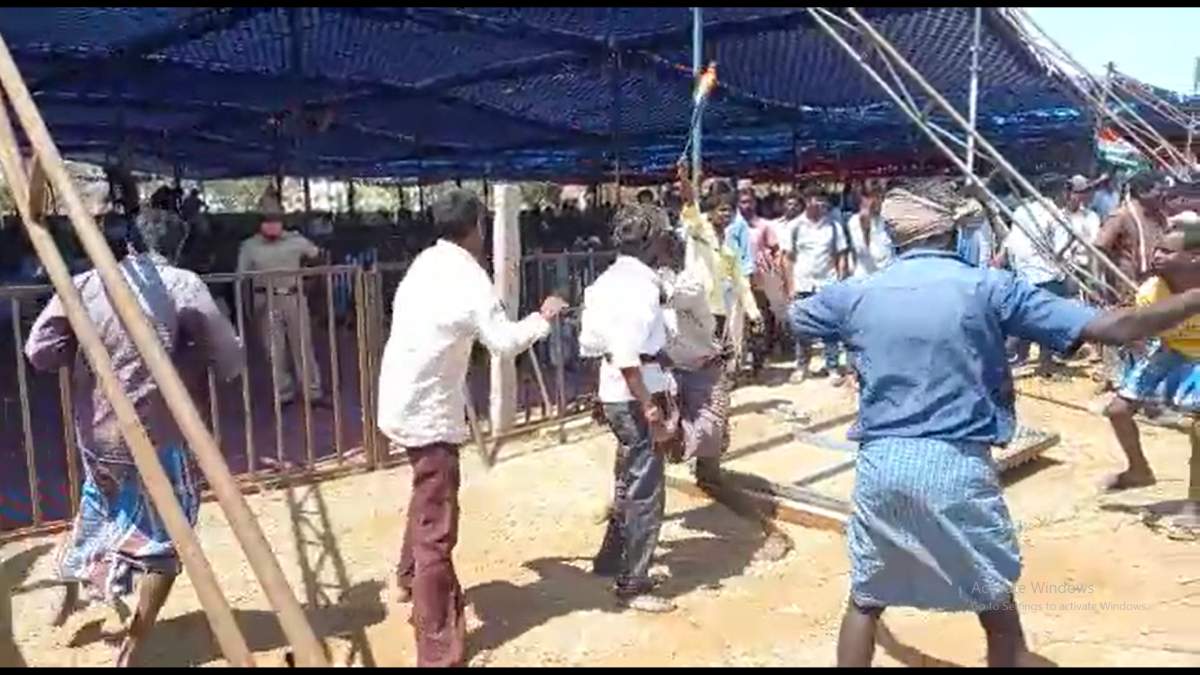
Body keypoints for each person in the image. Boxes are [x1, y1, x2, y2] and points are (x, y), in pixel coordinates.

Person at [788, 183, 1200, 668]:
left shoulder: (857, 293)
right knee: (994, 600)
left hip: (881, 464)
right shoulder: (990, 287)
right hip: (957, 465)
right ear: (955, 233)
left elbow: (797, 318)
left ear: (895, 236)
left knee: (866, 598)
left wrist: (798, 301)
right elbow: (1117, 328)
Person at [25, 209, 244, 667]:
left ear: (129, 245)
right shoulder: (183, 284)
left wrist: (85, 350)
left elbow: (40, 350)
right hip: (158, 434)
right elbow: (228, 357)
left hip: (98, 433)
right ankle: (133, 646)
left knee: (98, 506)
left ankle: (70, 591)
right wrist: (191, 355)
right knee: (168, 534)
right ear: (178, 248)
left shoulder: (86, 283)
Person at [377, 189, 566, 667]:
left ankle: (408, 578)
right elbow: (503, 342)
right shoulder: (469, 278)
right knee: (437, 526)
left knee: (426, 494)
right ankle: (437, 648)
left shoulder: (425, 263)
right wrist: (542, 318)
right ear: (476, 228)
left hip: (400, 400)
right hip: (429, 414)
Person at [579, 202, 678, 614]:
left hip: (615, 389)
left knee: (628, 475)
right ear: (652, 242)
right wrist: (650, 407)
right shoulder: (639, 287)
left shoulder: (605, 281)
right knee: (645, 488)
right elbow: (626, 354)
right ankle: (633, 582)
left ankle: (612, 559)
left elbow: (592, 345)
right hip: (636, 391)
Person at [1102, 235, 1200, 491]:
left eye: (1167, 251)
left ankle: (1195, 499)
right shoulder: (1150, 292)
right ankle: (1139, 471)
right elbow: (1146, 334)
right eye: (1157, 249)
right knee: (1118, 411)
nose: (1156, 256)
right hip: (1171, 351)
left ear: (1194, 257)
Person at [236, 189, 326, 407]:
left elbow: (319, 256)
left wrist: (311, 283)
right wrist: (247, 309)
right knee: (274, 350)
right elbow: (241, 278)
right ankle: (283, 394)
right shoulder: (249, 246)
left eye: (275, 218)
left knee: (303, 345)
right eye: (266, 219)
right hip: (265, 300)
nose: (271, 223)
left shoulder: (296, 240)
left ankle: (312, 392)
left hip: (293, 297)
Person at [675, 169, 761, 374]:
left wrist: (754, 313)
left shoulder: (729, 250)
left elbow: (741, 283)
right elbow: (690, 205)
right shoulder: (699, 231)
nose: (726, 214)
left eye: (730, 211)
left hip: (717, 310)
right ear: (711, 212)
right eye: (722, 210)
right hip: (693, 307)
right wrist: (685, 180)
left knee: (716, 358)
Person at [994, 177, 1074, 376]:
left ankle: (1014, 358)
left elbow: (1012, 241)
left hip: (1023, 271)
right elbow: (1058, 251)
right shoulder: (1057, 215)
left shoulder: (1022, 211)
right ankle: (1045, 363)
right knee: (1048, 318)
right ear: (1059, 192)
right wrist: (1071, 240)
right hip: (1047, 273)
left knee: (1024, 315)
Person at [784, 185, 849, 385]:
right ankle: (801, 366)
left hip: (827, 283)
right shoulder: (794, 226)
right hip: (803, 283)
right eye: (814, 198)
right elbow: (788, 258)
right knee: (802, 328)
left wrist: (840, 281)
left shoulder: (834, 226)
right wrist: (790, 286)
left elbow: (841, 255)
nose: (819, 203)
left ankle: (832, 367)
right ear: (806, 201)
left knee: (830, 328)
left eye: (821, 199)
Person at [845, 185, 893, 279]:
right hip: (866, 278)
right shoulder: (854, 221)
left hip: (887, 275)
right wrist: (865, 228)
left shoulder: (882, 220)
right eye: (874, 198)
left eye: (880, 198)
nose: (878, 202)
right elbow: (863, 251)